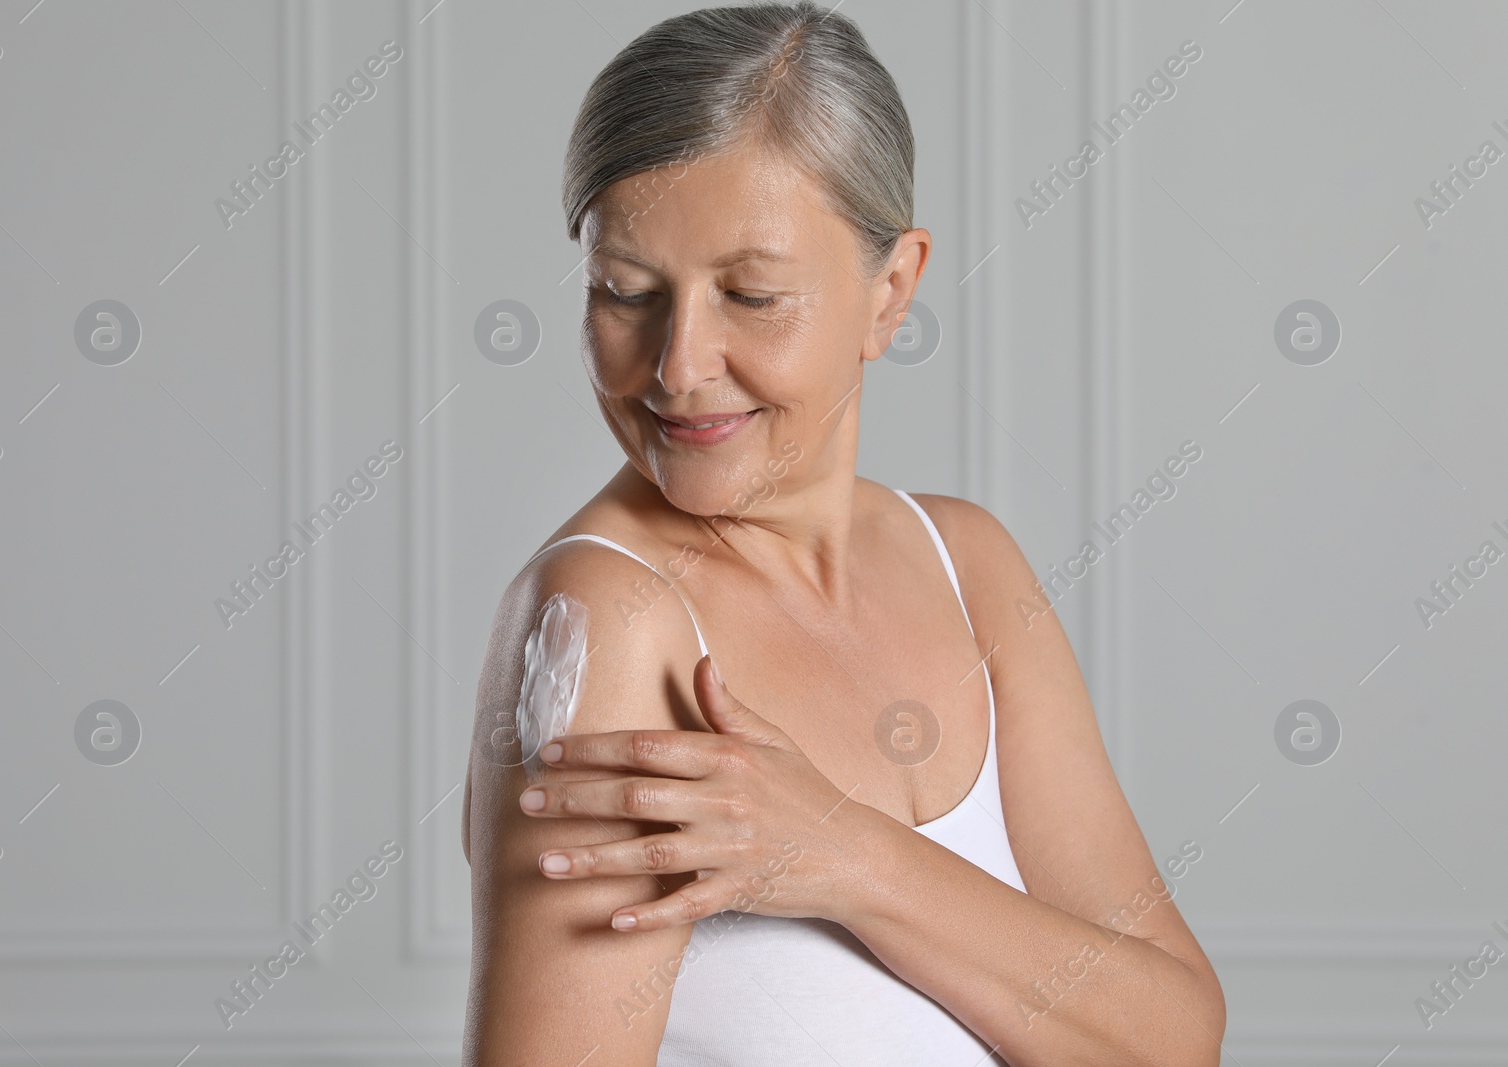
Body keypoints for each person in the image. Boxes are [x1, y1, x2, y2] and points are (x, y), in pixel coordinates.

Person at [461, 3, 1224, 1063]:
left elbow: (1172, 1038)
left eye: (752, 294)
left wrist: (845, 855)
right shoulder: (609, 623)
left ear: (891, 291)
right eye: (624, 291)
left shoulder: (966, 562)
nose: (678, 364)